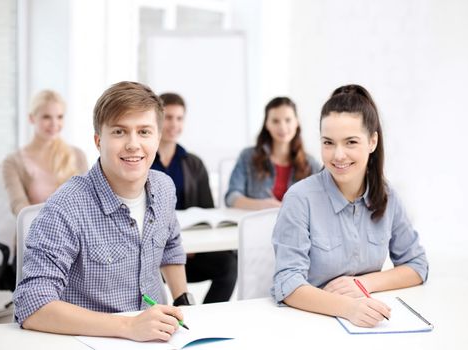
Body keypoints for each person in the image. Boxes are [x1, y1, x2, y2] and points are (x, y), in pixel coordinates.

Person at [13, 82, 193, 342]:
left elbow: (171, 246)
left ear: (157, 137)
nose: (133, 144)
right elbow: (31, 305)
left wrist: (182, 299)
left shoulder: (164, 187)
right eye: (119, 132)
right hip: (93, 340)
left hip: (159, 339)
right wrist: (129, 327)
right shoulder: (67, 206)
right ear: (99, 140)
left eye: (144, 132)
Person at [271, 84, 429, 328]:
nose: (338, 155)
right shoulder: (300, 198)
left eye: (351, 142)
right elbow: (288, 283)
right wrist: (348, 308)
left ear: (372, 141)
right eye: (328, 143)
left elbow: (417, 266)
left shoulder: (388, 197)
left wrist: (364, 284)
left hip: (367, 320)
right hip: (309, 322)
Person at [151, 93, 237, 303]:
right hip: (153, 253)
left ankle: (204, 317)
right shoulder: (143, 160)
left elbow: (206, 211)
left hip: (191, 251)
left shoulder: (194, 164)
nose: (174, 124)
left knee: (228, 264)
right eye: (169, 117)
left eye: (179, 118)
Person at [225, 97, 321, 210]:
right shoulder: (247, 157)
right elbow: (231, 197)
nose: (282, 127)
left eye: (288, 120)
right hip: (256, 224)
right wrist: (260, 205)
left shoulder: (311, 164)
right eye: (275, 121)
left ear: (296, 122)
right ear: (267, 124)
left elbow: (320, 203)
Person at [2, 90, 88, 216]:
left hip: (74, 232)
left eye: (60, 117)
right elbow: (20, 208)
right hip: (36, 232)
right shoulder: (12, 162)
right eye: (46, 117)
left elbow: (87, 202)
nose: (54, 124)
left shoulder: (78, 155)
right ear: (31, 118)